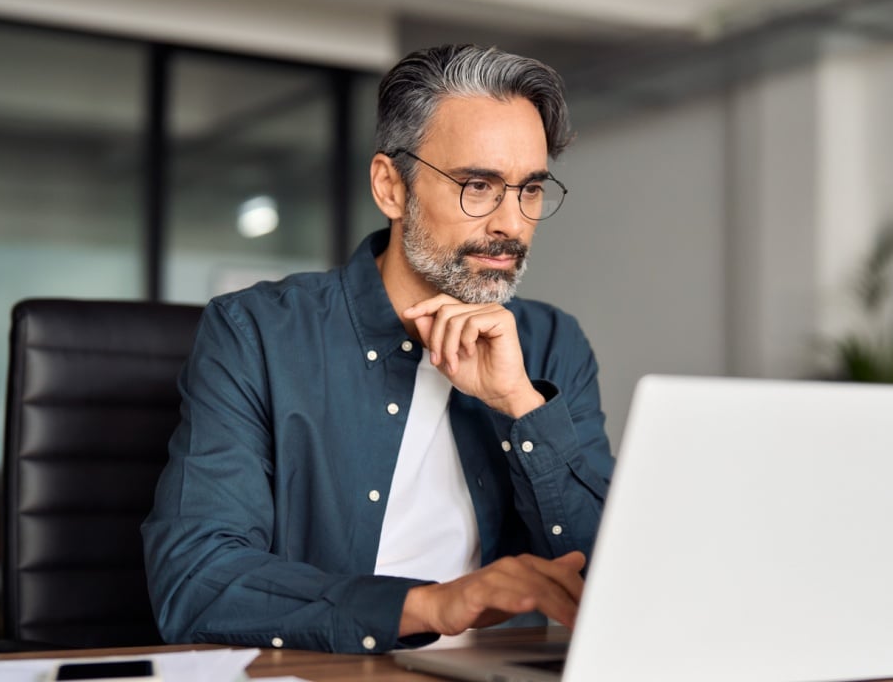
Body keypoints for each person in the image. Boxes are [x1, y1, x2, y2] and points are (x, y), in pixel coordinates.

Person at [142, 43, 614, 654]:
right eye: (478, 185)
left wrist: (521, 405)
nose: (511, 223)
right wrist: (432, 604)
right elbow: (194, 581)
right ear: (391, 187)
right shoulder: (257, 332)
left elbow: (613, 580)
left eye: (529, 189)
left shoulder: (553, 345)